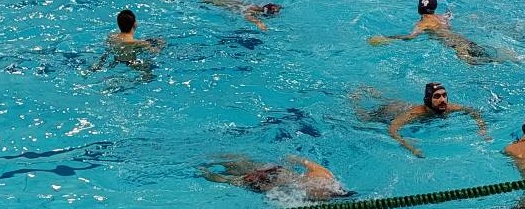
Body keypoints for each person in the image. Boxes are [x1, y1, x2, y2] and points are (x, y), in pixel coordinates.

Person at [368, 0, 498, 65]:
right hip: (464, 40)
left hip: (455, 47)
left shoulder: (423, 23)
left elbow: (410, 37)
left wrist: (387, 38)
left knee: (478, 64)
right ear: (434, 8)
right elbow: (450, 15)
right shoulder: (442, 17)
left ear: (419, 8)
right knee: (491, 59)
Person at [387, 82, 490, 157]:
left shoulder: (449, 107)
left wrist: (482, 129)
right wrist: (411, 148)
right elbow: (392, 129)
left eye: (444, 95)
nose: (442, 100)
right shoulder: (415, 114)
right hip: (388, 113)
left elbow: (472, 111)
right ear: (428, 100)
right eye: (437, 96)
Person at [199, 154, 354, 201]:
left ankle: (205, 165)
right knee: (234, 170)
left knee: (235, 170)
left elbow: (300, 160)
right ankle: (204, 167)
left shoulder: (324, 176)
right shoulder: (323, 177)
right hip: (270, 177)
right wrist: (294, 160)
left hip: (274, 175)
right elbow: (297, 159)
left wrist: (295, 160)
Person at [90, 9, 165, 81]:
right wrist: (161, 44)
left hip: (116, 61)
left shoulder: (112, 37)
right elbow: (155, 52)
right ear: (135, 24)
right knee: (150, 74)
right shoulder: (138, 43)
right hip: (132, 63)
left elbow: (108, 51)